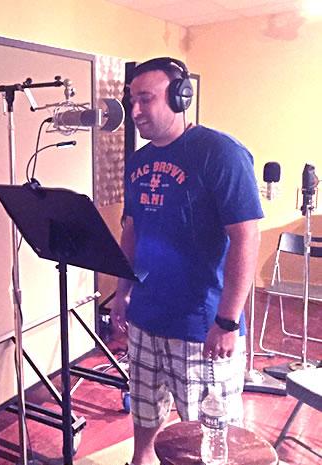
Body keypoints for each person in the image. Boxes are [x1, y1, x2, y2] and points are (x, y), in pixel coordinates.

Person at [112, 57, 263, 465]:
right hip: (146, 316)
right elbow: (132, 228)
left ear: (180, 98)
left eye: (146, 99)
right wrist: (121, 291)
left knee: (206, 434)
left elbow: (247, 236)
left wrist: (228, 321)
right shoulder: (139, 162)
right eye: (132, 100)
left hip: (202, 327)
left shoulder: (220, 153)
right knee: (145, 408)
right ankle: (139, 460)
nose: (136, 110)